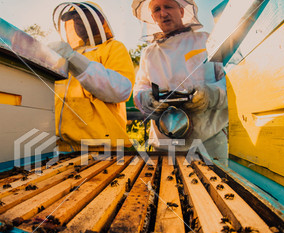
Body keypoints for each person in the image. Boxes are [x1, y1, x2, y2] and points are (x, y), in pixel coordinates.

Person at [132, 0, 228, 160]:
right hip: (162, 146)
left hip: (208, 143)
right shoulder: (149, 53)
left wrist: (209, 96)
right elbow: (140, 88)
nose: (163, 13)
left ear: (182, 11)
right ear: (153, 17)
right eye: (157, 9)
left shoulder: (207, 41)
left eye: (168, 6)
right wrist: (146, 99)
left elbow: (231, 83)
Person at [49, 2, 135, 152]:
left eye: (82, 15)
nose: (77, 21)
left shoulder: (113, 47)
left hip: (104, 148)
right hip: (64, 149)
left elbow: (122, 89)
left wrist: (74, 59)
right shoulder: (65, 54)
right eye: (74, 18)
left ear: (100, 19)